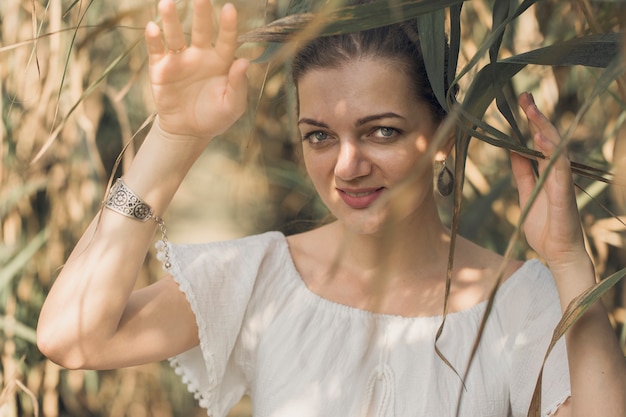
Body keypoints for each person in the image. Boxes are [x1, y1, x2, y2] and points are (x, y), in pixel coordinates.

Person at [36, 0, 626, 416]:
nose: (347, 166)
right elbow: (72, 338)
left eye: (382, 132)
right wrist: (174, 138)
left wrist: (570, 259)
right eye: (319, 135)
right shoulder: (261, 278)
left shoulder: (522, 302)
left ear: (447, 132)